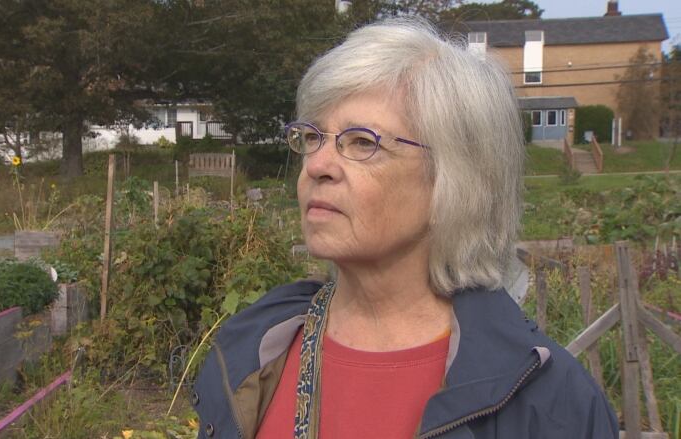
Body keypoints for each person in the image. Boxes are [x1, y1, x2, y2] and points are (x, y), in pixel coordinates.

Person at [192, 18, 618, 439]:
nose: (316, 165)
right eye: (312, 137)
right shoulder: (251, 352)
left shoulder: (552, 406)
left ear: (456, 179)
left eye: (362, 142)